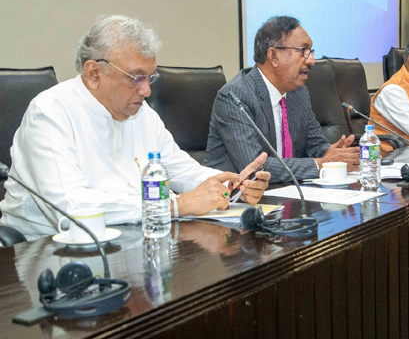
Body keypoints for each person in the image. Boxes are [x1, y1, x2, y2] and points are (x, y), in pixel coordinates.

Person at [0, 15, 271, 240]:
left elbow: (181, 169)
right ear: (94, 73)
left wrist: (232, 185)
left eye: (150, 77)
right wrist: (173, 206)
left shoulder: (141, 113)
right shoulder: (50, 112)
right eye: (136, 78)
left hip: (130, 237)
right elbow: (71, 207)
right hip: (46, 252)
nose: (147, 90)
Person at [203, 16, 359, 183]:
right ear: (273, 56)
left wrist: (335, 154)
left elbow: (315, 146)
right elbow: (255, 167)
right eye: (303, 51)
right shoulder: (235, 96)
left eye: (311, 51)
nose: (311, 60)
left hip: (287, 191)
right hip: (233, 195)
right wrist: (321, 164)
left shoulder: (298, 92)